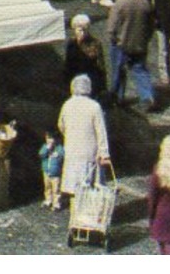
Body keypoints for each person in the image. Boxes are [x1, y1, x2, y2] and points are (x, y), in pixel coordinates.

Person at [56, 75, 110, 211]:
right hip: (90, 153)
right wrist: (104, 152)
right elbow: (101, 132)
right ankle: (87, 218)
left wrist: (69, 136)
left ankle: (75, 219)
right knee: (89, 189)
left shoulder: (67, 105)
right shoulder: (95, 107)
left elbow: (61, 125)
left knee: (75, 189)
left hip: (72, 152)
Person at [107, 0, 157, 110]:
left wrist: (114, 40)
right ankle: (148, 98)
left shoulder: (119, 5)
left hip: (121, 45)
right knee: (140, 71)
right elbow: (151, 25)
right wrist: (145, 39)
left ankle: (117, 98)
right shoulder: (145, 3)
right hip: (140, 44)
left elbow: (112, 28)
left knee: (118, 72)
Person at [63, 15, 106, 96]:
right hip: (75, 77)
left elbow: (100, 65)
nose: (82, 33)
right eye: (79, 30)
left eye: (84, 30)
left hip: (91, 77)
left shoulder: (95, 43)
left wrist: (102, 84)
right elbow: (68, 63)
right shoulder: (71, 43)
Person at [38, 131, 66, 210]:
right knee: (47, 187)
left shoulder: (59, 148)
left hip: (56, 173)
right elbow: (41, 154)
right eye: (48, 138)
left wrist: (58, 155)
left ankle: (56, 203)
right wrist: (47, 148)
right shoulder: (45, 147)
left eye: (51, 138)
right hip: (46, 171)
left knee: (56, 189)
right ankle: (48, 200)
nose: (50, 140)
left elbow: (62, 156)